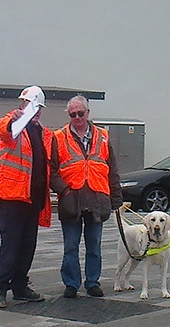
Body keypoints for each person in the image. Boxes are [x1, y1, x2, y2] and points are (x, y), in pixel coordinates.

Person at [50, 95, 123, 298]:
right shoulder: (58, 137)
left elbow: (112, 170)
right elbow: (51, 171)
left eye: (80, 113)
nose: (77, 117)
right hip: (70, 200)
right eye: (73, 114)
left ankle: (92, 282)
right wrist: (64, 191)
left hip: (97, 199)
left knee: (94, 246)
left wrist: (116, 198)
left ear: (88, 113)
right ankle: (71, 284)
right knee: (70, 246)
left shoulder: (103, 136)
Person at [0, 86, 54, 309]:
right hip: (11, 196)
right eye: (31, 105)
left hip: (32, 198)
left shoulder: (44, 133)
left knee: (27, 246)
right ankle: (0, 288)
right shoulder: (13, 123)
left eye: (38, 108)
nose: (35, 111)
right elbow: (3, 129)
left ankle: (19, 286)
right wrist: (14, 119)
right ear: (23, 104)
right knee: (11, 244)